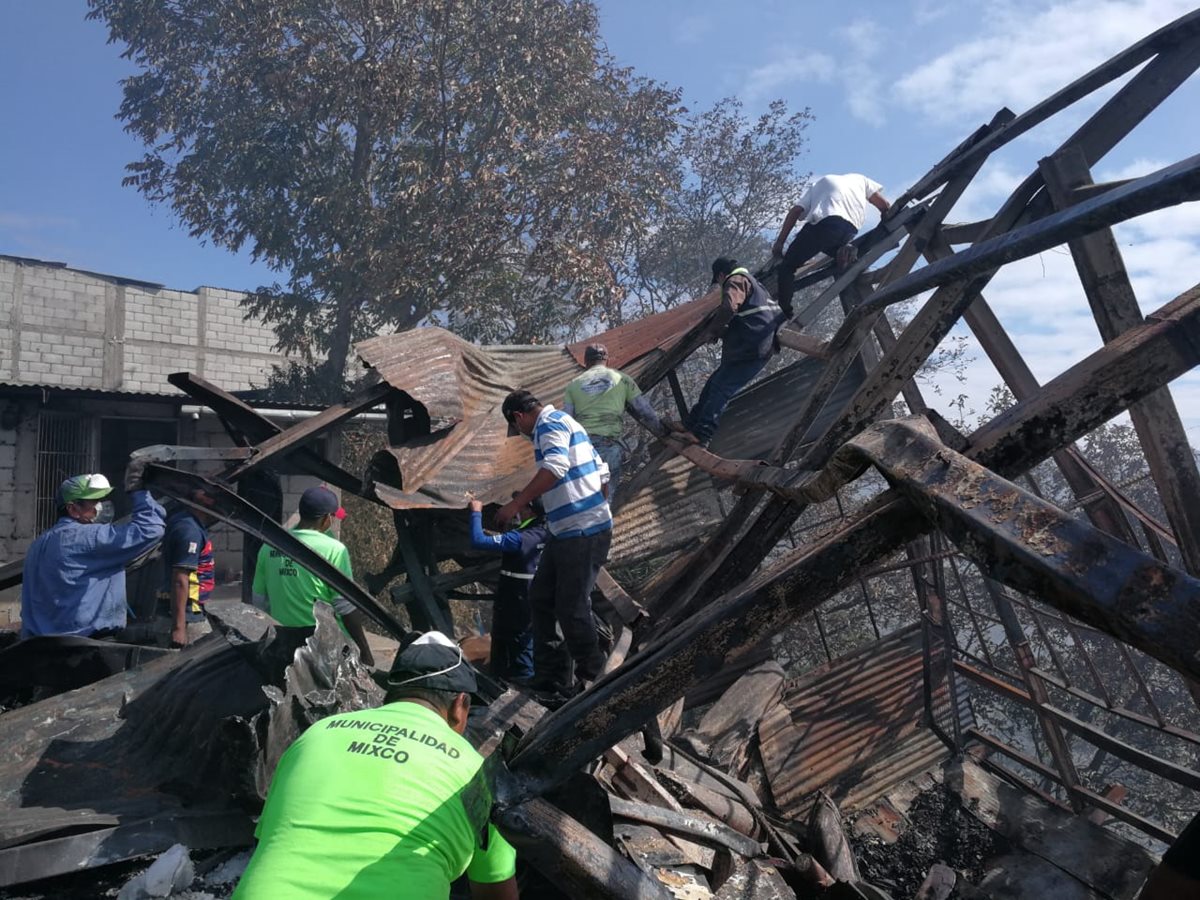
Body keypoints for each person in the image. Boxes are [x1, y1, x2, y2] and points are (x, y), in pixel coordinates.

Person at [232, 631, 519, 900]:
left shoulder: (317, 734)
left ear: (391, 694)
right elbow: (496, 892)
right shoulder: (478, 773)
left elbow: (271, 838)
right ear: (460, 706)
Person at [493, 390, 611, 694]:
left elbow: (556, 468)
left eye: (516, 428)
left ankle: (593, 677)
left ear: (518, 417)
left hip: (581, 530)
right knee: (542, 597)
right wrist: (596, 504)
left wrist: (516, 504)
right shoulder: (567, 423)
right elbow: (603, 471)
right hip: (565, 530)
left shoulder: (549, 424)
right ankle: (550, 677)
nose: (520, 434)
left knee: (571, 605)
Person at [20, 470, 165, 639]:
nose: (101, 506)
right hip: (86, 643)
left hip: (38, 643)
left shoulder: (38, 544)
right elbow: (150, 529)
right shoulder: (89, 537)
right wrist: (139, 492)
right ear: (73, 509)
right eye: (94, 501)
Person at [251, 485, 376, 666]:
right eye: (333, 517)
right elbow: (345, 607)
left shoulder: (269, 546)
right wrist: (365, 652)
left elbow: (259, 600)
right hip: (324, 647)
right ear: (326, 519)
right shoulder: (335, 550)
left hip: (283, 644)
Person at [682, 257, 785, 446]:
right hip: (756, 347)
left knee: (721, 388)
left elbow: (729, 307)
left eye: (719, 281)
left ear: (721, 275)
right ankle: (689, 425)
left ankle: (702, 434)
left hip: (751, 348)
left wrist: (713, 331)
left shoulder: (736, 280)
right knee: (713, 383)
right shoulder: (759, 287)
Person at [772, 173, 891, 317]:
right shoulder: (860, 179)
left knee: (787, 267)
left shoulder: (819, 184)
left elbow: (796, 211)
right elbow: (884, 206)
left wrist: (780, 242)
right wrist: (885, 220)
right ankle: (841, 250)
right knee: (828, 242)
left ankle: (784, 313)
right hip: (850, 229)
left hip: (825, 224)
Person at [562, 343, 664, 505]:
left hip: (581, 448)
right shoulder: (622, 379)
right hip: (609, 446)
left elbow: (566, 421)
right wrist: (662, 432)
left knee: (582, 497)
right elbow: (645, 411)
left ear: (585, 362)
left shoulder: (573, 385)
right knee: (604, 501)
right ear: (607, 360)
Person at [468, 497, 547, 681]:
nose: (517, 510)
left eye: (521, 506)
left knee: (517, 646)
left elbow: (478, 540)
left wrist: (475, 512)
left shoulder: (520, 539)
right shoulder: (548, 533)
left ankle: (522, 684)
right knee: (522, 642)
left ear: (530, 511)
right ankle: (507, 678)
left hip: (515, 603)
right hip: (533, 600)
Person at [158, 492, 217, 648]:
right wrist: (179, 628)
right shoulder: (189, 530)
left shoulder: (188, 523)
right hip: (188, 617)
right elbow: (180, 579)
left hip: (191, 612)